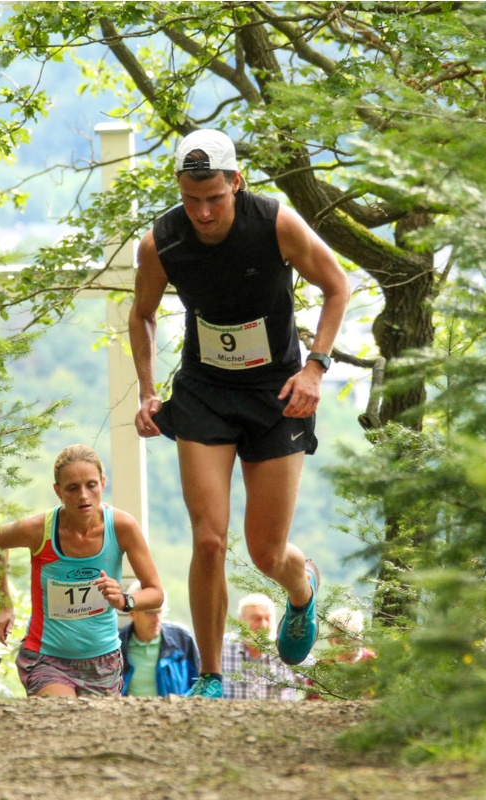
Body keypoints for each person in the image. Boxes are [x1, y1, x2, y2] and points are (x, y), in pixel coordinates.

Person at [128, 128, 352, 698]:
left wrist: (316, 368)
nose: (202, 212)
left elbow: (336, 286)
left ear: (236, 182)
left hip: (277, 395)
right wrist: (149, 389)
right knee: (209, 539)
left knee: (264, 551)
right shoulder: (161, 242)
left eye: (214, 198)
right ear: (179, 189)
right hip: (204, 391)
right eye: (190, 198)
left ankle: (300, 591)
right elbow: (143, 315)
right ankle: (209, 676)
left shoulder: (276, 223)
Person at [0, 444, 165, 698]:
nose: (83, 495)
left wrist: (124, 600)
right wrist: (5, 604)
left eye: (91, 485)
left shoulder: (122, 527)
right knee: (59, 718)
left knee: (94, 734)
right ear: (58, 491)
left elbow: (155, 592)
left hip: (103, 660)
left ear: (103, 484)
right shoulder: (40, 529)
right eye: (72, 488)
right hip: (47, 657)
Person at [118, 582, 201, 697]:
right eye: (150, 613)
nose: (156, 619)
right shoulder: (117, 644)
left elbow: (199, 683)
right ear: (132, 613)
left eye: (159, 612)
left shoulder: (182, 638)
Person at [220, 594, 308, 700]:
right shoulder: (222, 648)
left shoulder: (286, 648)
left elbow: (316, 677)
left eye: (268, 618)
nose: (263, 625)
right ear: (240, 621)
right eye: (257, 619)